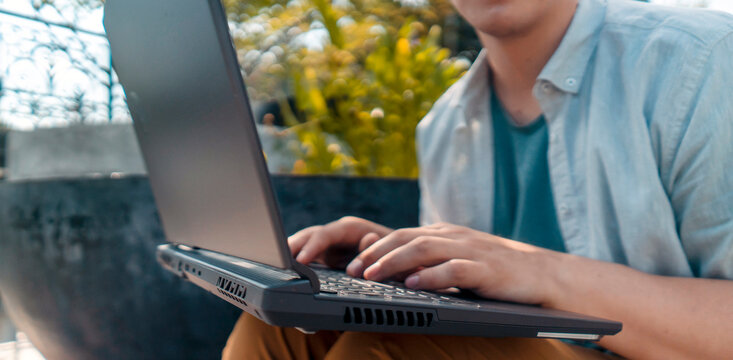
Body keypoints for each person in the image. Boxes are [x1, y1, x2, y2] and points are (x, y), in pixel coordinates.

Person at [223, 0, 733, 358]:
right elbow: (469, 310)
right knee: (282, 327)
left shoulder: (701, 62)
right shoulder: (445, 126)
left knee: (393, 349)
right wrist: (394, 266)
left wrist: (545, 274)